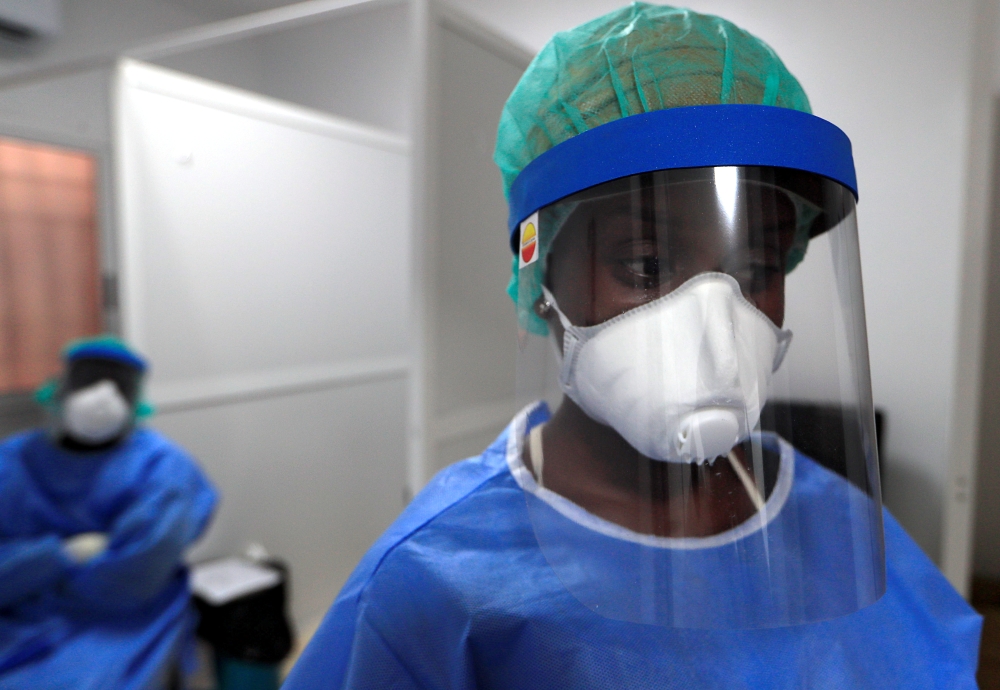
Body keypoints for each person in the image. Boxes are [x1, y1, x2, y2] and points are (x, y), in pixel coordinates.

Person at [284, 5, 982, 688]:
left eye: (757, 269)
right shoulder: (434, 583)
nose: (717, 322)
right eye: (646, 266)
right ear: (542, 281)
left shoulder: (836, 526)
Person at [0, 336, 218, 689]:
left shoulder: (163, 469)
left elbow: (132, 580)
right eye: (88, 380)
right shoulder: (13, 461)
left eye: (118, 385)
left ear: (135, 401)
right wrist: (61, 555)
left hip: (118, 621)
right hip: (15, 615)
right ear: (60, 389)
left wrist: (29, 572)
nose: (102, 397)